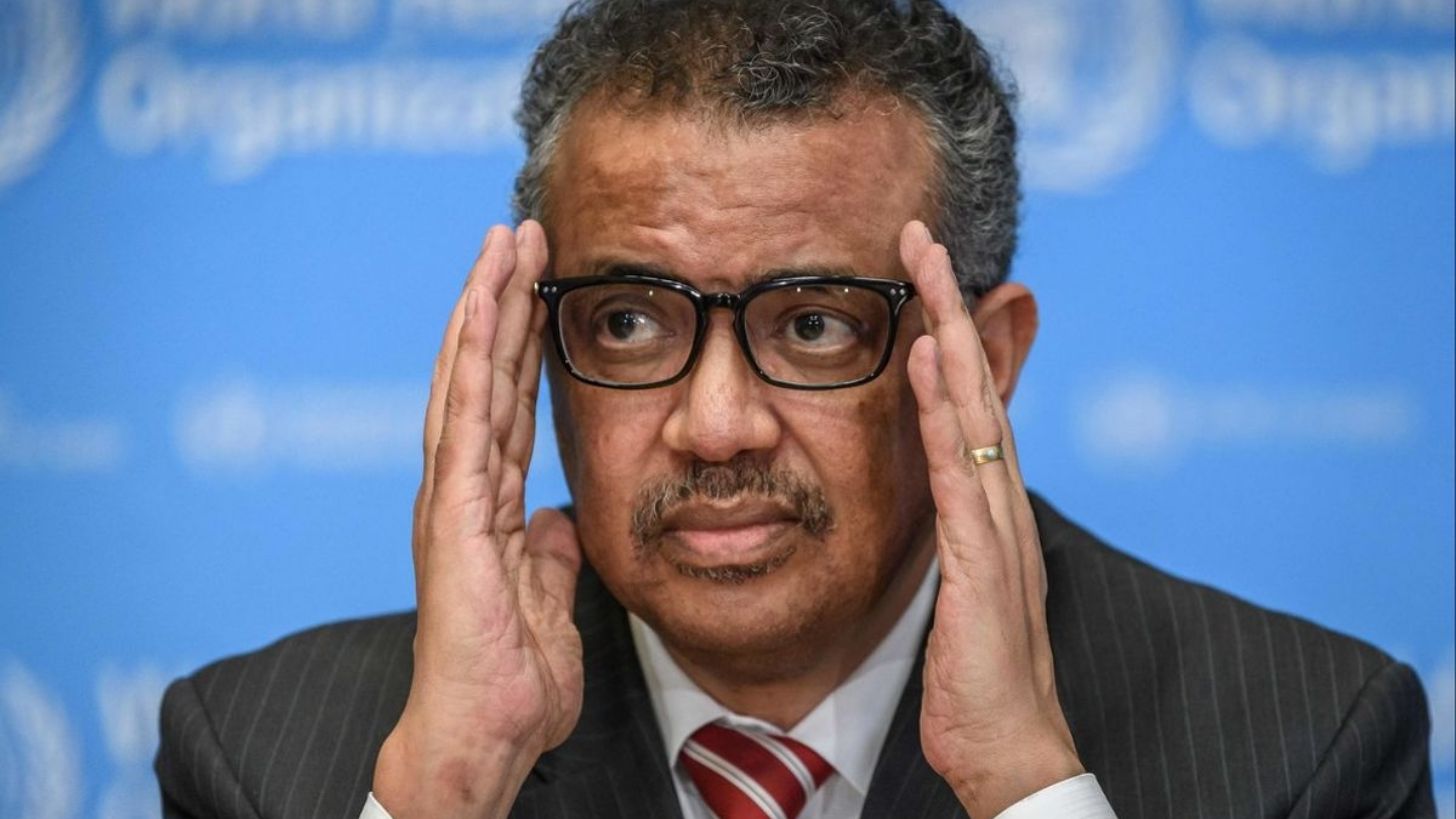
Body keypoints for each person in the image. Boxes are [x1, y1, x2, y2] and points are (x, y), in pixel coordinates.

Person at [154, 1, 1436, 817]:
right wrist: (448, 788)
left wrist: (1030, 792)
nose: (716, 426)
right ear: (534, 356)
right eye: (628, 322)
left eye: (815, 325)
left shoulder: (1300, 749)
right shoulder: (273, 758)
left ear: (985, 361)